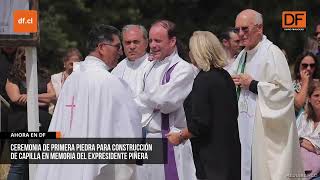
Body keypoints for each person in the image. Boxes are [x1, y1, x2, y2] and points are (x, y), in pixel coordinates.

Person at [35, 24, 142, 180]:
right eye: (117, 46)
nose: (121, 52)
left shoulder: (72, 80)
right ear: (102, 47)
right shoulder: (111, 83)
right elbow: (129, 130)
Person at [229, 9, 304, 180]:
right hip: (243, 124)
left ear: (259, 28)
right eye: (237, 29)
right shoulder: (242, 56)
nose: (240, 34)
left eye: (245, 29)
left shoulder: (272, 53)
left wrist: (254, 85)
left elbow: (285, 93)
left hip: (264, 131)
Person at [167, 31, 241, 180]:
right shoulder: (224, 76)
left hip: (212, 159)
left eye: (192, 50)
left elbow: (200, 124)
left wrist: (179, 136)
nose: (190, 53)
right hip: (230, 152)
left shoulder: (203, 80)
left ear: (199, 52)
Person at [134, 20, 197, 180]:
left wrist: (144, 98)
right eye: (151, 40)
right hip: (146, 139)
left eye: (158, 41)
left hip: (169, 140)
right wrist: (150, 99)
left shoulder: (184, 69)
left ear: (172, 41)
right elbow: (140, 100)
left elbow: (166, 102)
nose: (152, 45)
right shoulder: (149, 66)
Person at [5, 47, 54, 180]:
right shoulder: (13, 77)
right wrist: (41, 99)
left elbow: (52, 96)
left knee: (42, 162)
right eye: (24, 57)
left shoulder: (43, 74)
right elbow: (15, 98)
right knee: (19, 164)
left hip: (43, 122)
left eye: (30, 56)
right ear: (19, 59)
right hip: (19, 123)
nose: (27, 60)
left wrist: (29, 96)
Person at [112, 24, 150, 97]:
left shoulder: (155, 66)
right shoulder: (117, 70)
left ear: (146, 43)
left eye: (136, 42)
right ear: (122, 44)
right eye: (128, 43)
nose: (132, 47)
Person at [296, 80, 320, 179]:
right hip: (298, 168)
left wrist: (301, 140)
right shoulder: (303, 116)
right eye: (316, 95)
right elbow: (294, 138)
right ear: (309, 98)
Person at [293, 52, 319, 117]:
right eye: (305, 65)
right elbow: (298, 105)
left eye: (312, 65)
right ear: (298, 66)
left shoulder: (318, 84)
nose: (308, 68)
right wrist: (305, 82)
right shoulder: (292, 86)